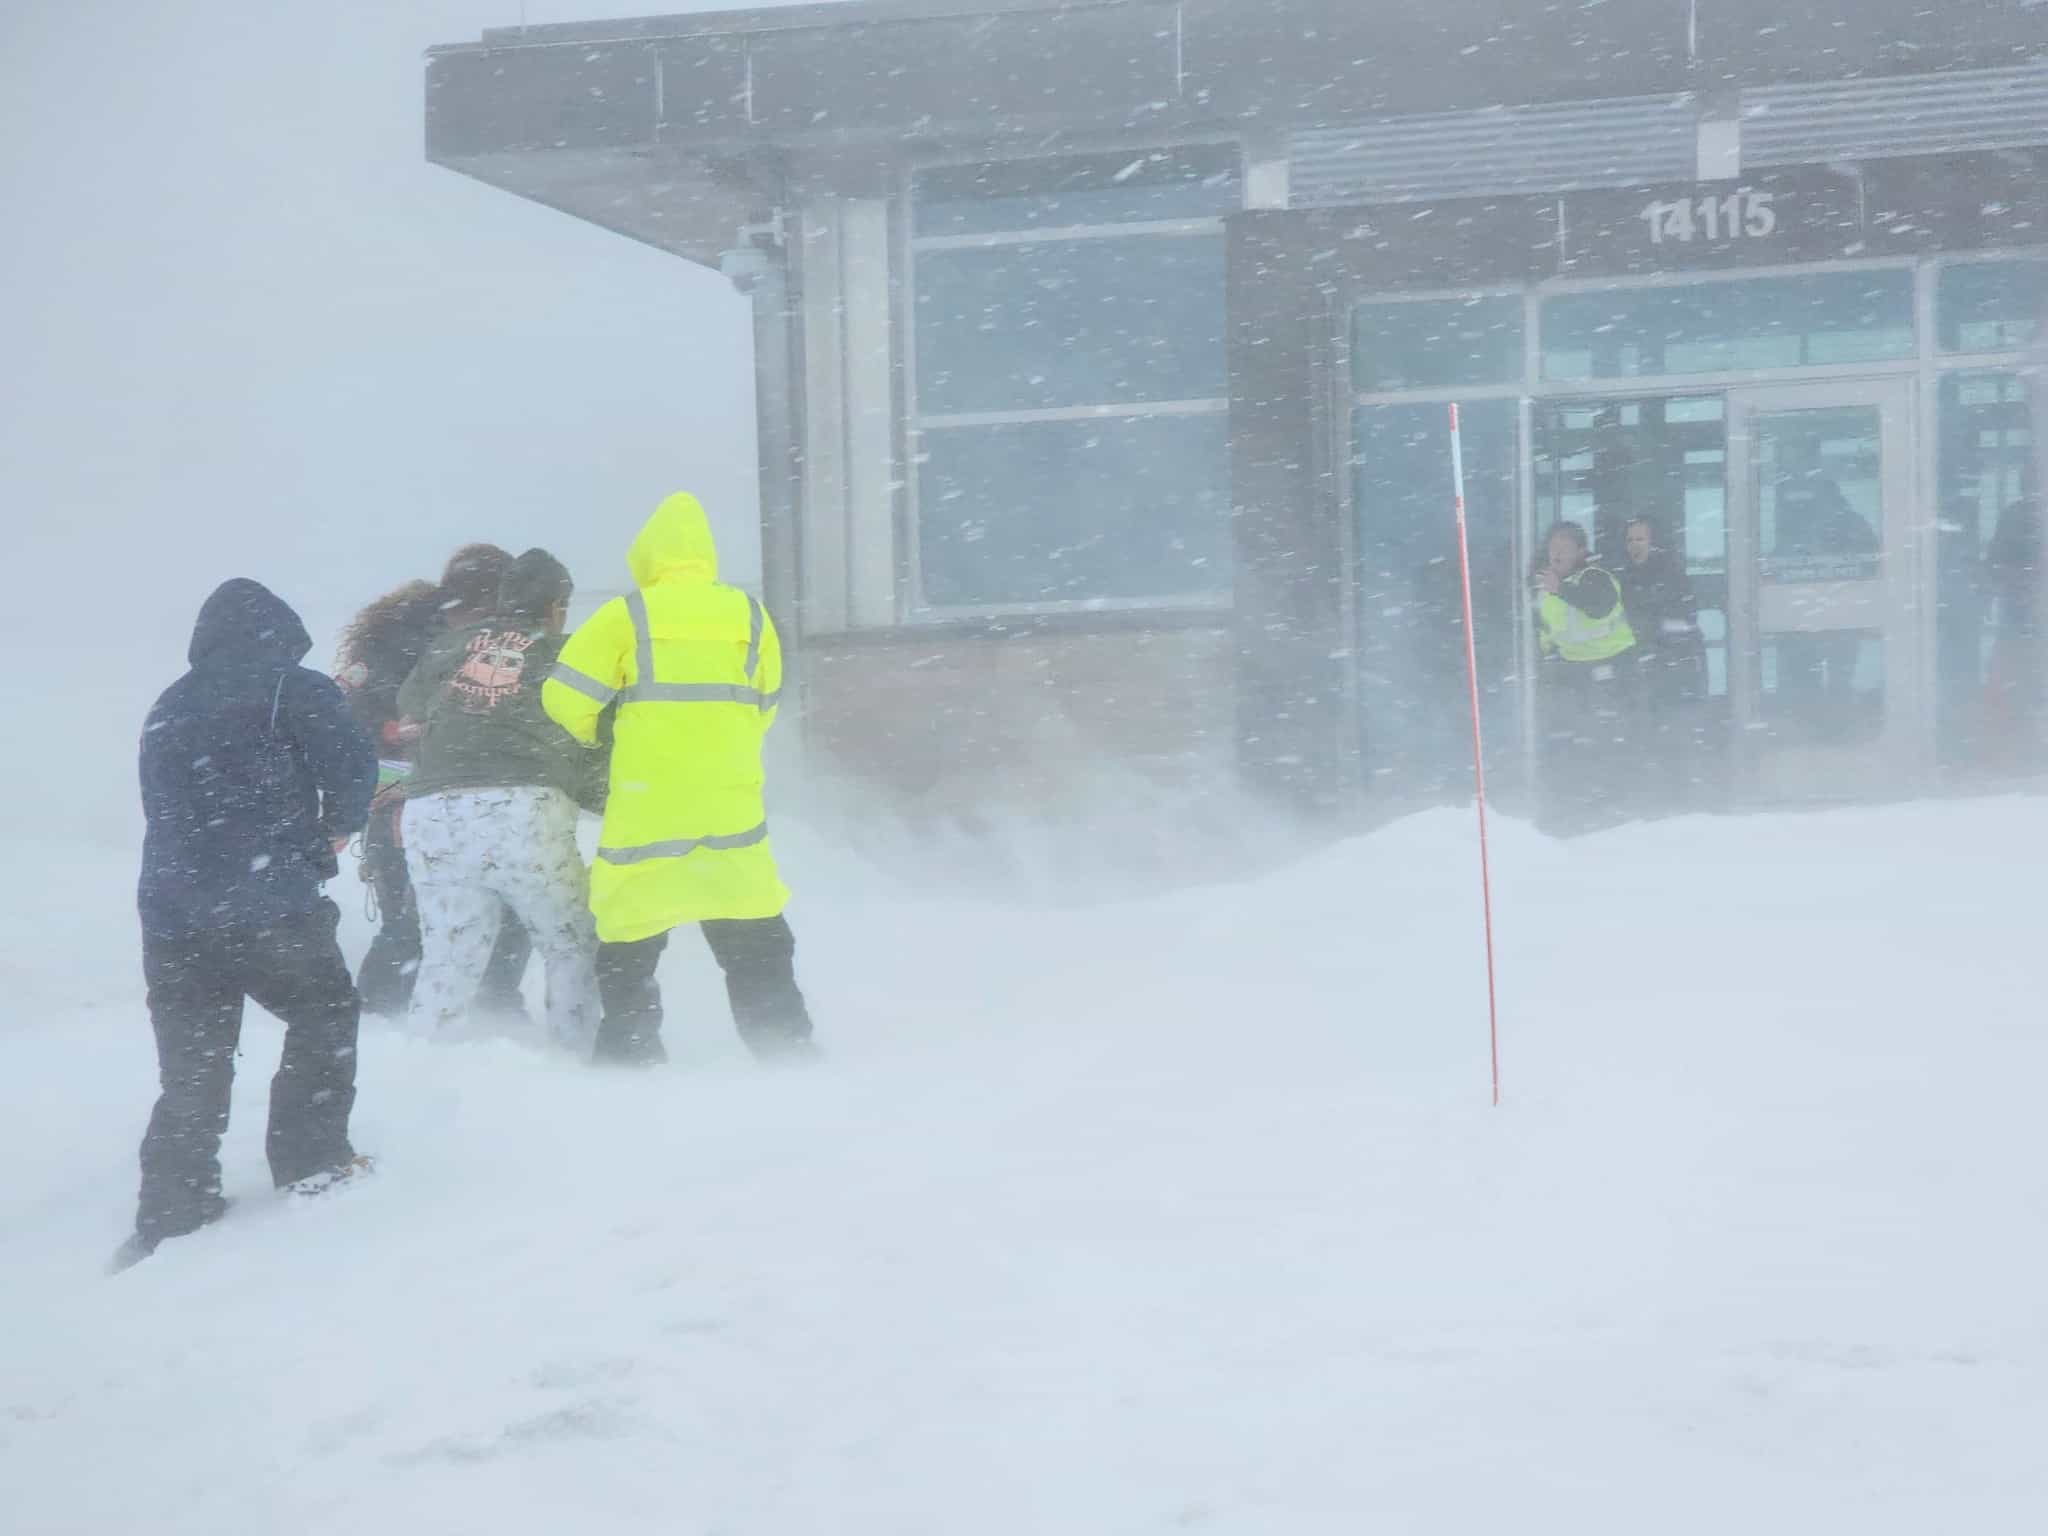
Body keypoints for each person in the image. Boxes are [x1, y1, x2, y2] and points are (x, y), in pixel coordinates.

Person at [117, 580, 379, 1272]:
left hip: (172, 918)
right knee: (324, 1015)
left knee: (193, 1068)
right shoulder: (293, 686)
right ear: (282, 635)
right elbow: (353, 768)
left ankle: (174, 1209)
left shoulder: (168, 705)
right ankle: (311, 1162)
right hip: (268, 907)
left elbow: (169, 807)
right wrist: (334, 830)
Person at [542, 491, 817, 1065]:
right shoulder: (750, 614)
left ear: (647, 556)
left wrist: (602, 735)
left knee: (629, 942)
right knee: (753, 933)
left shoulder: (629, 613)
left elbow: (564, 698)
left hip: (648, 808)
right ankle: (786, 1052)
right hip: (729, 810)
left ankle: (632, 1059)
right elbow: (765, 702)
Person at [396, 549, 604, 1051]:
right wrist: (601, 797)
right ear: (556, 606)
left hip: (432, 813)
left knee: (448, 956)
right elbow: (597, 733)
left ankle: (422, 1068)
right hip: (522, 810)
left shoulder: (449, 645)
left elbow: (409, 713)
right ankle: (577, 1063)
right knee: (569, 944)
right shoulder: (567, 653)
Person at [334, 545, 535, 1019]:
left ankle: (491, 1018)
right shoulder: (404, 649)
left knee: (482, 918)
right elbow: (359, 729)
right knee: (420, 925)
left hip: (445, 807)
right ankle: (387, 1024)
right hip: (408, 809)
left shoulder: (457, 643)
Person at [1533, 521, 1639, 834]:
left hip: (1613, 669)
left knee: (1607, 740)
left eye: (1564, 548)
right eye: (1553, 548)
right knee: (1575, 742)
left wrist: (1560, 588)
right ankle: (1576, 806)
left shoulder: (1595, 577)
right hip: (1575, 672)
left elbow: (1597, 605)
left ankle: (1614, 807)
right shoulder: (1548, 587)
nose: (1557, 554)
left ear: (1581, 551)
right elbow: (1546, 631)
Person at [1615, 517, 1705, 804]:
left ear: (1652, 542)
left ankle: (1679, 794)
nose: (1634, 546)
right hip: (1643, 669)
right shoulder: (1622, 576)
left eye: (1640, 539)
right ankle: (1654, 794)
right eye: (1630, 540)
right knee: (1645, 732)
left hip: (1672, 669)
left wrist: (1655, 640)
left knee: (1674, 732)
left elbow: (1684, 618)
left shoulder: (1671, 574)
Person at [1982, 497, 2044, 768]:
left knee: (2011, 686)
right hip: (2019, 623)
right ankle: (2009, 750)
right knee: (2012, 686)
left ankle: (2007, 751)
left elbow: (1996, 567)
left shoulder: (2016, 514)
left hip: (2019, 623)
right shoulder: (2017, 515)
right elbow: (1997, 567)